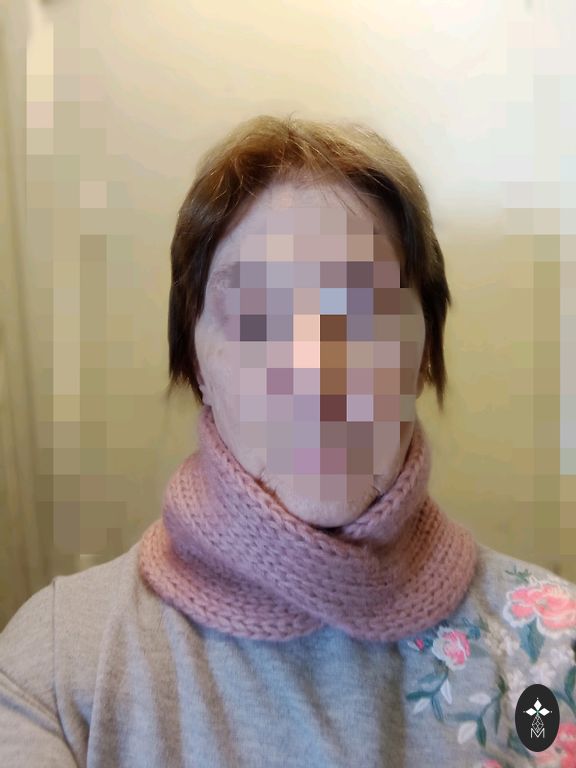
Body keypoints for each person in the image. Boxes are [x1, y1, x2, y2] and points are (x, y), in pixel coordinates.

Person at [1, 114, 575, 768]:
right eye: (260, 316)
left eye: (363, 310)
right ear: (197, 366)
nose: (316, 368)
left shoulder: (554, 650)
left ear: (423, 356)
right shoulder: (58, 670)